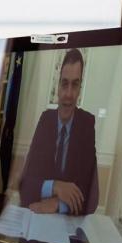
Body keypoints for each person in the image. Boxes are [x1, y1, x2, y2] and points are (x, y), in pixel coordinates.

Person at [18, 48, 98, 215]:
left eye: (75, 85)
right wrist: (55, 186)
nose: (68, 94)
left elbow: (91, 196)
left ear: (80, 88)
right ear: (58, 84)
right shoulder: (45, 120)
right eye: (64, 84)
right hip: (38, 222)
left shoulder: (87, 124)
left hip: (66, 227)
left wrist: (57, 204)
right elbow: (25, 187)